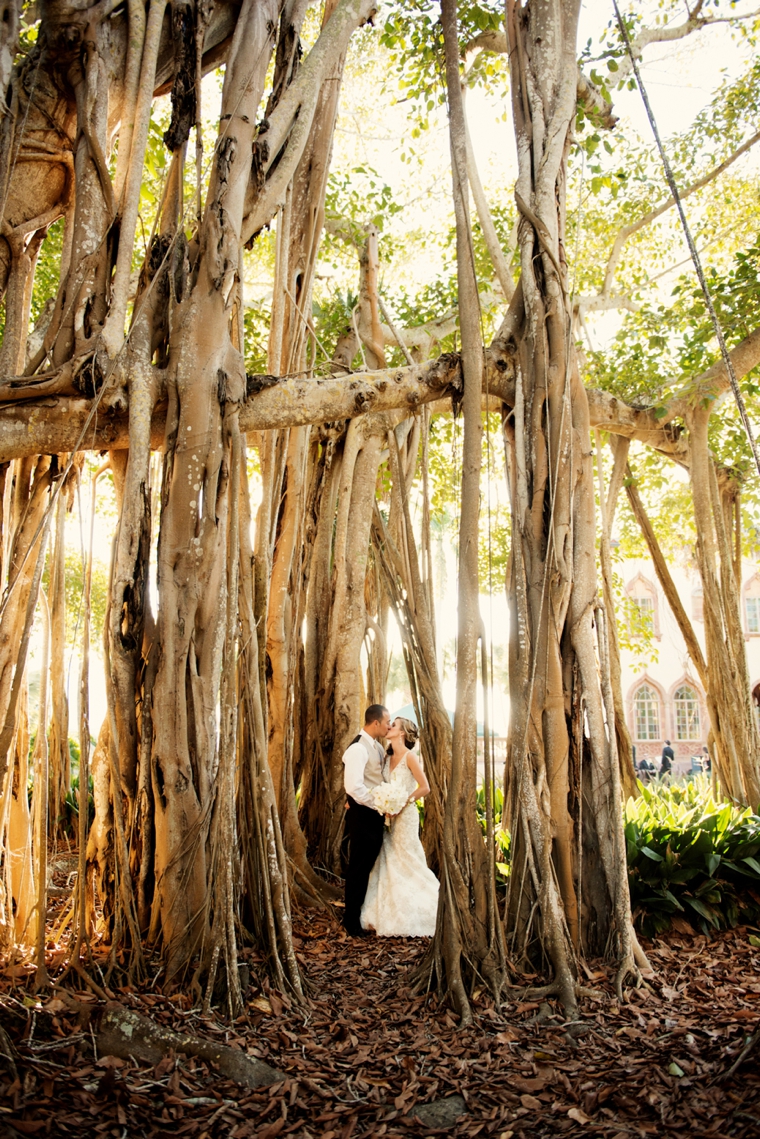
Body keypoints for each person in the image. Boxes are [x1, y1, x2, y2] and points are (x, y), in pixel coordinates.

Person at [361, 716, 439, 937]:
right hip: (388, 818)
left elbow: (425, 788)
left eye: (393, 725)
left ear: (402, 732)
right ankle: (389, 910)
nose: (389, 727)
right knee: (389, 859)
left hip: (405, 817)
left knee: (407, 858)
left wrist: (402, 802)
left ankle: (422, 908)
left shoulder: (409, 757)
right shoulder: (386, 757)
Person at [341, 704, 391, 937]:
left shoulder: (378, 747)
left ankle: (360, 915)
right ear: (375, 723)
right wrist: (378, 804)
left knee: (367, 866)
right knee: (358, 868)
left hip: (372, 816)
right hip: (363, 817)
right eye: (387, 721)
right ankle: (350, 921)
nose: (389, 725)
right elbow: (354, 786)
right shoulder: (358, 749)